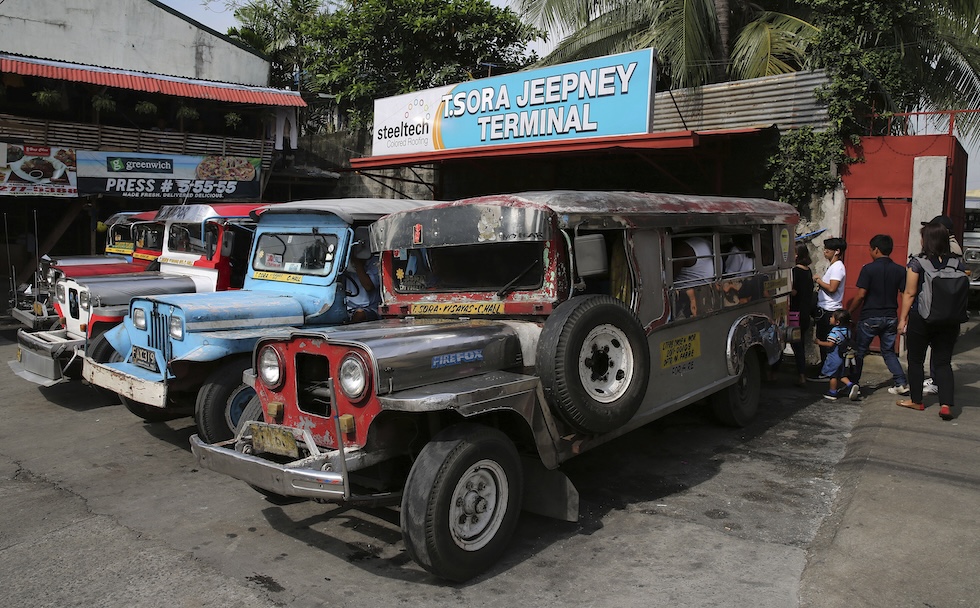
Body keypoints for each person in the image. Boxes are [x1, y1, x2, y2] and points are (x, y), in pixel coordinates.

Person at [896, 222, 963, 420]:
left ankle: (916, 401)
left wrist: (902, 319)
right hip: (950, 320)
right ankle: (946, 405)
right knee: (943, 363)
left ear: (927, 240)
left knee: (916, 361)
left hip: (921, 318)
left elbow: (909, 293)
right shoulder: (957, 262)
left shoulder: (917, 262)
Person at [846, 234, 909, 395]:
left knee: (860, 351)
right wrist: (904, 317)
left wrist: (849, 312)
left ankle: (853, 384)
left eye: (870, 249)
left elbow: (860, 295)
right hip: (890, 317)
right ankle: (901, 382)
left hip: (870, 317)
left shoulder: (868, 269)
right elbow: (905, 295)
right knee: (888, 351)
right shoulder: (900, 270)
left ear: (876, 250)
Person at [920, 215, 961, 396]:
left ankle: (937, 382)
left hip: (940, 307)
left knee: (940, 352)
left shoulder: (951, 249)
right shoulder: (952, 246)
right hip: (946, 307)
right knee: (940, 351)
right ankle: (938, 384)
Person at [811, 237, 847, 372]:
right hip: (825, 308)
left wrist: (818, 280)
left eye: (828, 249)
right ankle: (825, 368)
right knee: (822, 340)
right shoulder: (832, 265)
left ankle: (828, 371)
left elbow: (832, 288)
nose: (825, 251)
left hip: (830, 309)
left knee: (827, 342)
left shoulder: (838, 268)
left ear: (837, 251)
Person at [814, 309, 860, 400]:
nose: (830, 318)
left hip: (834, 357)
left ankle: (832, 392)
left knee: (833, 376)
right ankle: (851, 385)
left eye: (832, 317)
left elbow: (830, 344)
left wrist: (819, 342)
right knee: (841, 375)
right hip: (843, 356)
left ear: (837, 322)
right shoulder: (847, 330)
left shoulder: (834, 332)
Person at [789, 242, 814, 386]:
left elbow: (794, 292)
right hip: (804, 313)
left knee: (795, 344)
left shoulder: (795, 271)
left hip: (794, 314)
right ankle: (802, 374)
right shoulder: (808, 271)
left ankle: (801, 375)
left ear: (797, 255)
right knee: (800, 344)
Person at [344, 227, 381, 322]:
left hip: (369, 307)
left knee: (359, 315)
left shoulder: (375, 262)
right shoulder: (343, 260)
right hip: (347, 306)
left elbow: (368, 286)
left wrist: (358, 263)